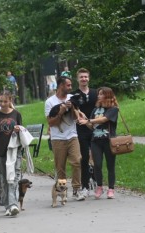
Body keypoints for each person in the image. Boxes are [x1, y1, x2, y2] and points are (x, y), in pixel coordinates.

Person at [45, 76, 85, 201]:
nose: (70, 87)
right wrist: (61, 111)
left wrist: (72, 107)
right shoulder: (50, 102)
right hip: (58, 138)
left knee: (77, 161)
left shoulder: (71, 98)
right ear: (61, 86)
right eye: (68, 85)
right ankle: (62, 191)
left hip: (72, 135)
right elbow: (51, 123)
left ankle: (77, 189)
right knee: (60, 166)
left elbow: (75, 118)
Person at [78, 87, 119, 199]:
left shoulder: (113, 109)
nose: (98, 96)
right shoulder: (95, 110)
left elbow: (104, 120)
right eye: (98, 94)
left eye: (101, 94)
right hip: (95, 140)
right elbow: (91, 126)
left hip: (109, 140)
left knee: (110, 166)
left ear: (107, 95)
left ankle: (111, 189)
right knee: (97, 164)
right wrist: (84, 120)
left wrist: (89, 120)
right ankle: (99, 187)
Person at [0, 90, 23, 216]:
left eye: (5, 101)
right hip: (0, 151)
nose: (2, 104)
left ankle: (13, 204)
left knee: (14, 177)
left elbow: (21, 132)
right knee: (4, 178)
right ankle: (8, 204)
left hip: (15, 150)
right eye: (1, 101)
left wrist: (19, 129)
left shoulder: (16, 114)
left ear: (10, 101)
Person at [71, 68, 97, 197]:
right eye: (81, 77)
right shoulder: (74, 95)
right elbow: (74, 111)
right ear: (78, 79)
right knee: (84, 158)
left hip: (96, 129)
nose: (84, 79)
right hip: (81, 130)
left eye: (86, 77)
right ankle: (85, 186)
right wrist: (83, 121)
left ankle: (97, 182)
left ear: (89, 78)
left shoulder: (95, 93)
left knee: (97, 157)